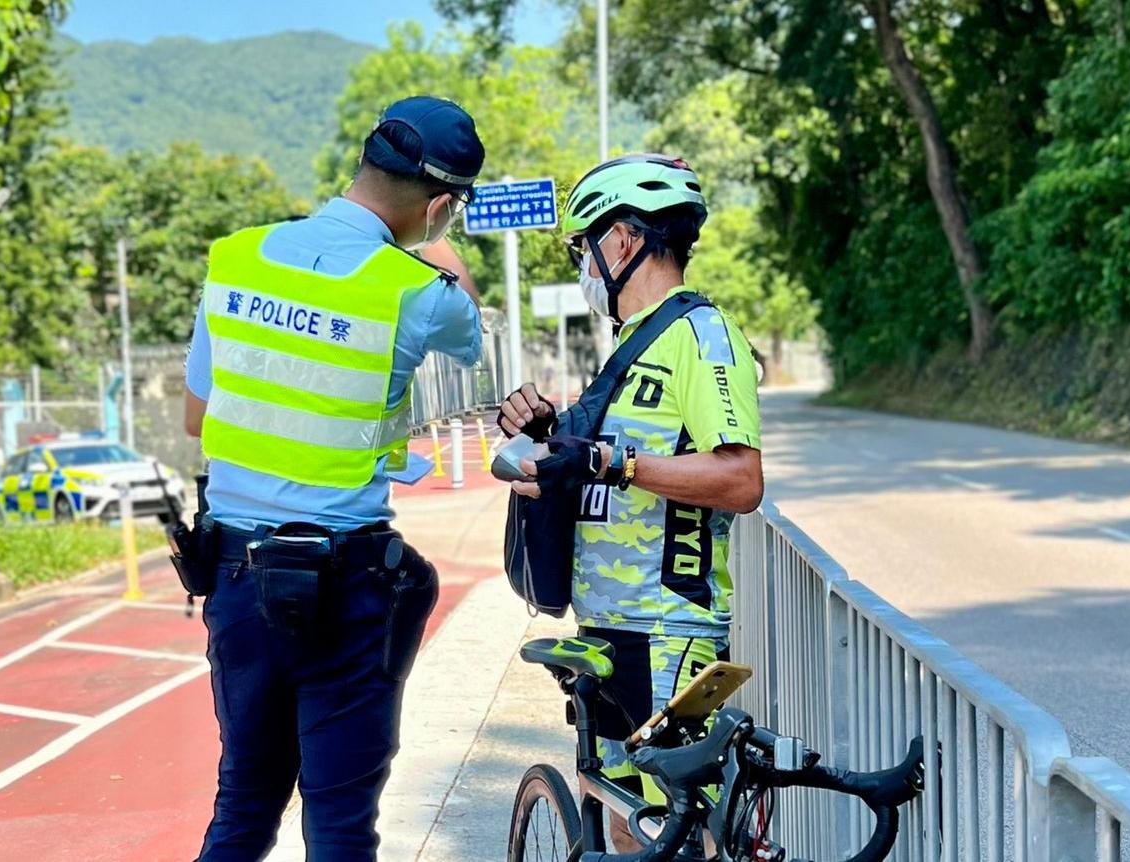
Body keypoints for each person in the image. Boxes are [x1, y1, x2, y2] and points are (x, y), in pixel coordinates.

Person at [182, 95, 485, 861]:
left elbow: (198, 416)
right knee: (341, 821)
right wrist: (438, 250)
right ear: (442, 205)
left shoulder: (234, 259)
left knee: (244, 803)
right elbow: (472, 335)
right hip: (345, 584)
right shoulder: (417, 291)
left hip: (235, 574)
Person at [496, 154, 764, 850]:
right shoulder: (633, 345)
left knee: (685, 834)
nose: (585, 265)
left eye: (585, 246)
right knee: (625, 823)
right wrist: (552, 439)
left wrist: (619, 462)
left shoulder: (701, 337)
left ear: (621, 240)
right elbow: (604, 465)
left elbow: (740, 480)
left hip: (670, 633)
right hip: (611, 627)